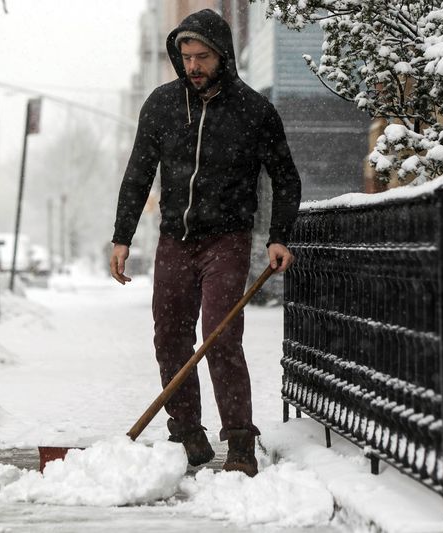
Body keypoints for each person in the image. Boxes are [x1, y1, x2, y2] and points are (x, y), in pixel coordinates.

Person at [109, 9, 301, 477]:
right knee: (170, 333)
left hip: (227, 240)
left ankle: (239, 442)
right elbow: (138, 175)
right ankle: (188, 431)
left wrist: (279, 237)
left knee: (221, 335)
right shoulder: (162, 104)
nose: (193, 65)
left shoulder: (254, 111)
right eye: (186, 56)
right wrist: (121, 237)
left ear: (223, 56)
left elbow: (286, 178)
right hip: (175, 239)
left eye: (202, 57)